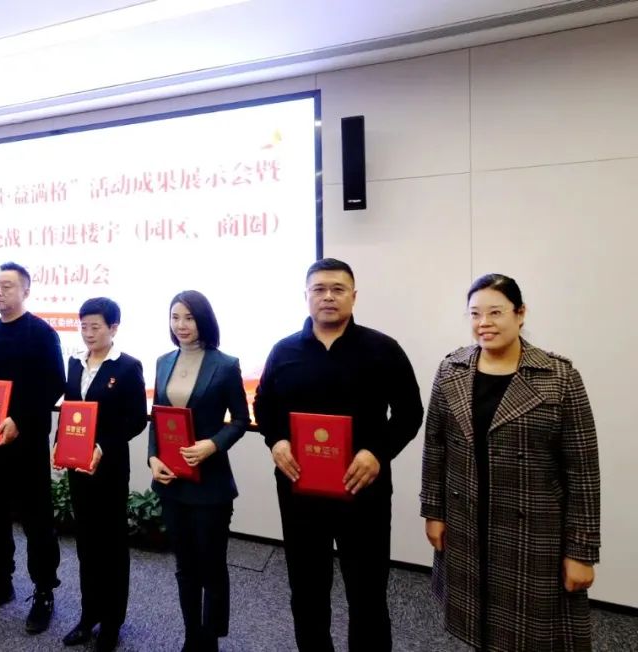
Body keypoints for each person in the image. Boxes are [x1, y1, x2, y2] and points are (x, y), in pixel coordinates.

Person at [420, 274, 600, 651]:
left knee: (527, 632)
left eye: (495, 312)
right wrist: (433, 512)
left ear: (520, 314)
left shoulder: (559, 377)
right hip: (466, 521)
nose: (483, 323)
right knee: (478, 623)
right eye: (475, 314)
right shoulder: (451, 370)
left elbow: (582, 471)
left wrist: (581, 552)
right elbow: (434, 447)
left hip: (533, 532)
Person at [253, 258, 423, 652]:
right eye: (319, 289)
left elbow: (410, 413)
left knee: (367, 591)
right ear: (306, 296)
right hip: (300, 490)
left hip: (363, 491)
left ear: (353, 296)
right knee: (306, 589)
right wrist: (276, 441)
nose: (328, 296)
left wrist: (377, 452)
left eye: (338, 289)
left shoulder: (383, 349)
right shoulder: (284, 350)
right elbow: (264, 405)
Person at [0, 262, 66, 635]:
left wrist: (19, 419)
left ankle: (44, 590)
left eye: (6, 286)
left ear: (26, 291)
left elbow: (54, 383)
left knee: (37, 520)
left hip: (27, 442)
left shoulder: (42, 333)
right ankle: (0, 581)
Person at [148, 290, 248, 652]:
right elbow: (157, 418)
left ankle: (211, 637)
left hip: (210, 484)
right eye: (175, 317)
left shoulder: (225, 365)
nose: (181, 325)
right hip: (173, 481)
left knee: (211, 565)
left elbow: (241, 420)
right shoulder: (163, 362)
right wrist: (152, 458)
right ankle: (192, 635)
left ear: (203, 319)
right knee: (185, 566)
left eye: (189, 317)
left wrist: (213, 444)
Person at [55, 297, 147, 651]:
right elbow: (70, 409)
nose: (89, 333)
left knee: (111, 546)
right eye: (84, 326)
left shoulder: (127, 367)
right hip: (78, 468)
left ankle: (111, 623)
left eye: (96, 327)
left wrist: (103, 446)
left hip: (108, 468)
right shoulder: (75, 362)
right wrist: (59, 443)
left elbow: (136, 420)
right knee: (86, 543)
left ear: (113, 328)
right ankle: (88, 615)